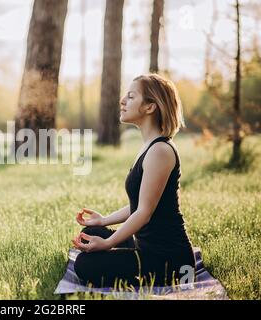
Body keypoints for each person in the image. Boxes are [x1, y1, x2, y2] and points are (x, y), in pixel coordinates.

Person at [72, 74, 196, 288]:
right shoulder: (149, 147)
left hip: (171, 261)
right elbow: (138, 205)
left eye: (130, 96)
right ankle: (124, 255)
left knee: (85, 265)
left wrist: (109, 243)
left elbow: (144, 212)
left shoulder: (160, 151)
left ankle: (136, 268)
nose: (122, 101)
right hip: (145, 245)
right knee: (90, 233)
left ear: (150, 107)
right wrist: (103, 221)